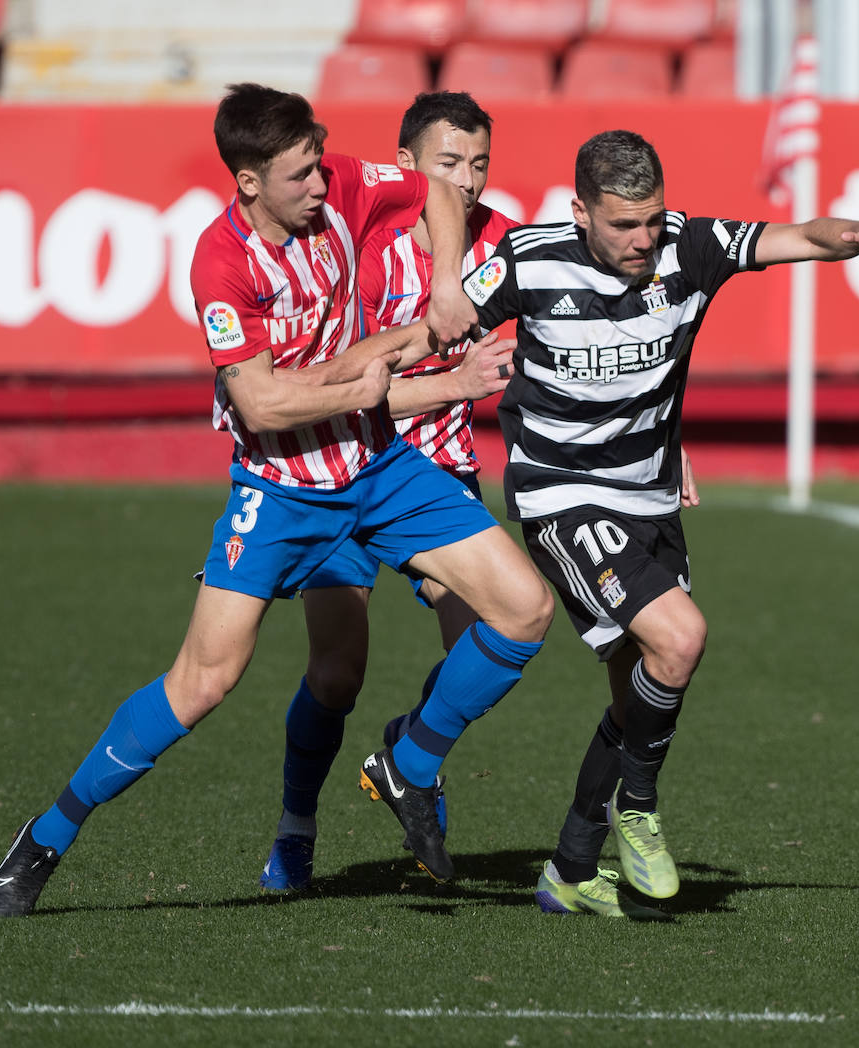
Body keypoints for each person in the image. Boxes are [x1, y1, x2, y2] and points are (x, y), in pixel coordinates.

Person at [0, 83, 553, 917]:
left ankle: (411, 764)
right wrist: (368, 374)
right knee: (209, 681)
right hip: (283, 492)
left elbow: (432, 190)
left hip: (381, 470)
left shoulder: (345, 187)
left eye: (319, 166)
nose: (322, 187)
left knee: (525, 609)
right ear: (249, 182)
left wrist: (438, 288)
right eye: (300, 176)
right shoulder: (221, 262)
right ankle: (47, 835)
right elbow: (261, 407)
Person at [458, 129, 859, 917]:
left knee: (638, 699)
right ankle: (638, 808)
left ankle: (569, 869)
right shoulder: (529, 259)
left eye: (652, 220)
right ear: (580, 213)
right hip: (560, 492)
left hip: (652, 497)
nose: (642, 239)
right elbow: (441, 321)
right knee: (680, 637)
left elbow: (802, 235)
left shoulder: (691, 247)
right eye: (623, 223)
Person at [258, 91, 521, 892]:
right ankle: (296, 827)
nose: (467, 181)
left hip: (440, 477)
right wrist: (452, 385)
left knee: (485, 639)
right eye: (449, 164)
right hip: (345, 470)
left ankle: (413, 761)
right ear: (405, 166)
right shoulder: (352, 241)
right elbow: (342, 388)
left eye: (479, 164)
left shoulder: (504, 244)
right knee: (337, 675)